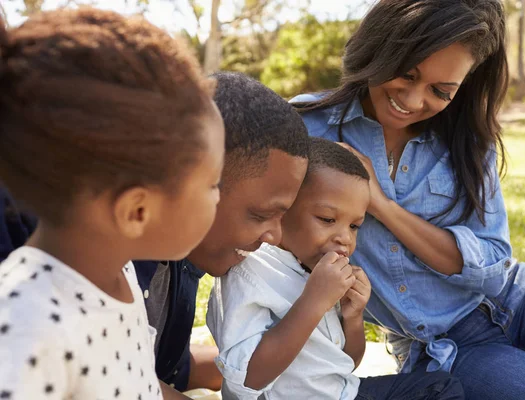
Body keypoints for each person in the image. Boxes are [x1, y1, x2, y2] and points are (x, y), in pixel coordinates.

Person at [291, 1, 525, 399]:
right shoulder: (307, 126)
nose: (413, 100)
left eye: (440, 91)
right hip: (446, 348)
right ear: (382, 45)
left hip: (519, 296)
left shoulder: (467, 138)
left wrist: (382, 206)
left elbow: (492, 268)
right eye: (406, 73)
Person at [0, 71, 311, 394]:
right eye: (261, 214)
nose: (274, 235)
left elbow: (158, 366)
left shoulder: (174, 259)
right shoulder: (66, 280)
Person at [0, 7, 224, 400]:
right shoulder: (24, 327)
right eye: (212, 184)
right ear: (136, 211)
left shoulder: (115, 272)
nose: (218, 198)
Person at [207, 137, 464, 400]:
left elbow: (346, 364)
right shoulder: (250, 272)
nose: (345, 238)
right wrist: (314, 302)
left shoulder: (316, 269)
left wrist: (353, 317)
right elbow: (248, 379)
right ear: (283, 208)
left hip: (342, 393)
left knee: (440, 388)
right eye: (327, 219)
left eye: (354, 226)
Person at [135, 71, 311, 391]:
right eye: (260, 214)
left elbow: (165, 366)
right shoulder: (109, 265)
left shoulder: (188, 256)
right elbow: (124, 381)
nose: (274, 236)